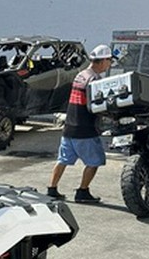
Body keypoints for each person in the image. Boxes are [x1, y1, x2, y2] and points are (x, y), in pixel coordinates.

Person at [47, 44, 113, 203]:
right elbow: (96, 106)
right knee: (94, 161)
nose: (110, 64)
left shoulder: (81, 75)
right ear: (103, 60)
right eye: (109, 60)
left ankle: (52, 189)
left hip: (69, 127)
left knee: (62, 160)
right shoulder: (95, 80)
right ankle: (83, 191)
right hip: (85, 130)